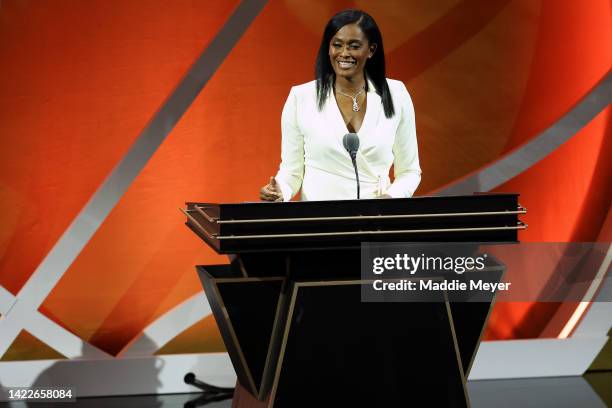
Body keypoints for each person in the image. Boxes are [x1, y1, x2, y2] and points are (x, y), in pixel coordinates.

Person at [260, 9, 421, 202]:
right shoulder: (301, 97)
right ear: (328, 48)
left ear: (371, 50)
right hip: (319, 222)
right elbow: (291, 172)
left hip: (375, 221)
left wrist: (390, 197)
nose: (344, 53)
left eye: (354, 46)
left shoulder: (395, 94)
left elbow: (410, 171)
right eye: (337, 45)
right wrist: (281, 191)